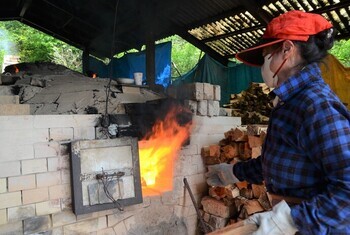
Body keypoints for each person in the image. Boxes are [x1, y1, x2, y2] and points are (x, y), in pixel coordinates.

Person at [205, 10, 350, 234]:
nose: (264, 64)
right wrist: (235, 172)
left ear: (287, 50)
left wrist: (290, 221)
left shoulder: (315, 105)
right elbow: (284, 160)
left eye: (265, 55)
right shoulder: (289, 102)